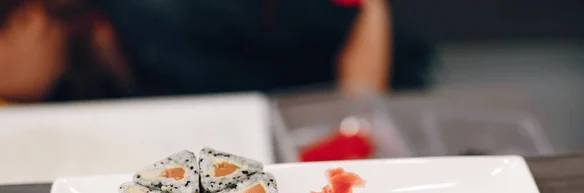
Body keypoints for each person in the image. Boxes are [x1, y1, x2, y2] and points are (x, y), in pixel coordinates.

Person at [0, 0, 431, 103]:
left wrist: (358, 122)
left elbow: (361, 10)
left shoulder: (182, 13)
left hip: (381, 90)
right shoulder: (82, 81)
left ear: (28, 21)